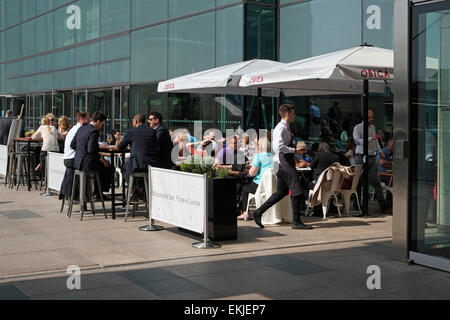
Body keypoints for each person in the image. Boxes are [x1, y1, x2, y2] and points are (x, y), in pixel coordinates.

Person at [252, 104, 313, 230]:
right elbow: (278, 147)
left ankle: (258, 212)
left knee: (281, 192)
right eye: (293, 113)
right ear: (286, 114)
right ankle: (296, 222)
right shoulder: (281, 128)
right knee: (297, 191)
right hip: (284, 163)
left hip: (283, 163)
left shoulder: (285, 127)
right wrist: (294, 150)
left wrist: (294, 151)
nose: (294, 115)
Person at [353, 109, 389, 214]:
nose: (372, 119)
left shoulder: (372, 127)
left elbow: (375, 141)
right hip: (361, 156)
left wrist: (380, 151)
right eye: (369, 117)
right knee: (359, 181)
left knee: (376, 180)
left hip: (372, 156)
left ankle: (382, 204)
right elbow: (357, 141)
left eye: (372, 117)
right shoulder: (358, 128)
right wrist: (370, 138)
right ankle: (357, 203)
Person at [71, 111, 115, 196]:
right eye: (102, 124)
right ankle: (99, 193)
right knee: (109, 168)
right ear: (98, 121)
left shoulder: (81, 128)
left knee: (101, 167)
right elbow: (91, 150)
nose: (101, 126)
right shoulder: (93, 131)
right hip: (87, 163)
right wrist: (102, 159)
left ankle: (96, 192)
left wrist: (82, 150)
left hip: (77, 162)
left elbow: (72, 145)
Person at [238, 137, 273, 221]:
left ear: (259, 146)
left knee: (244, 189)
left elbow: (251, 173)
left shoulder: (258, 156)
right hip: (272, 186)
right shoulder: (273, 155)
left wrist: (251, 167)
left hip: (260, 185)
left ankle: (245, 213)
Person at [118, 113, 160, 183]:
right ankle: (139, 188)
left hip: (137, 164)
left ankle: (132, 188)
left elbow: (121, 147)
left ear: (136, 121)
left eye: (133, 121)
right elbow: (156, 146)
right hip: (151, 163)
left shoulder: (131, 131)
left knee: (123, 167)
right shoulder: (152, 131)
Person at [59, 112, 90, 200]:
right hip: (72, 159)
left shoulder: (74, 128)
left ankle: (70, 194)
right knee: (95, 166)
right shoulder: (80, 130)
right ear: (82, 119)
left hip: (67, 158)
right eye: (88, 119)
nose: (89, 121)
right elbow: (82, 145)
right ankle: (88, 194)